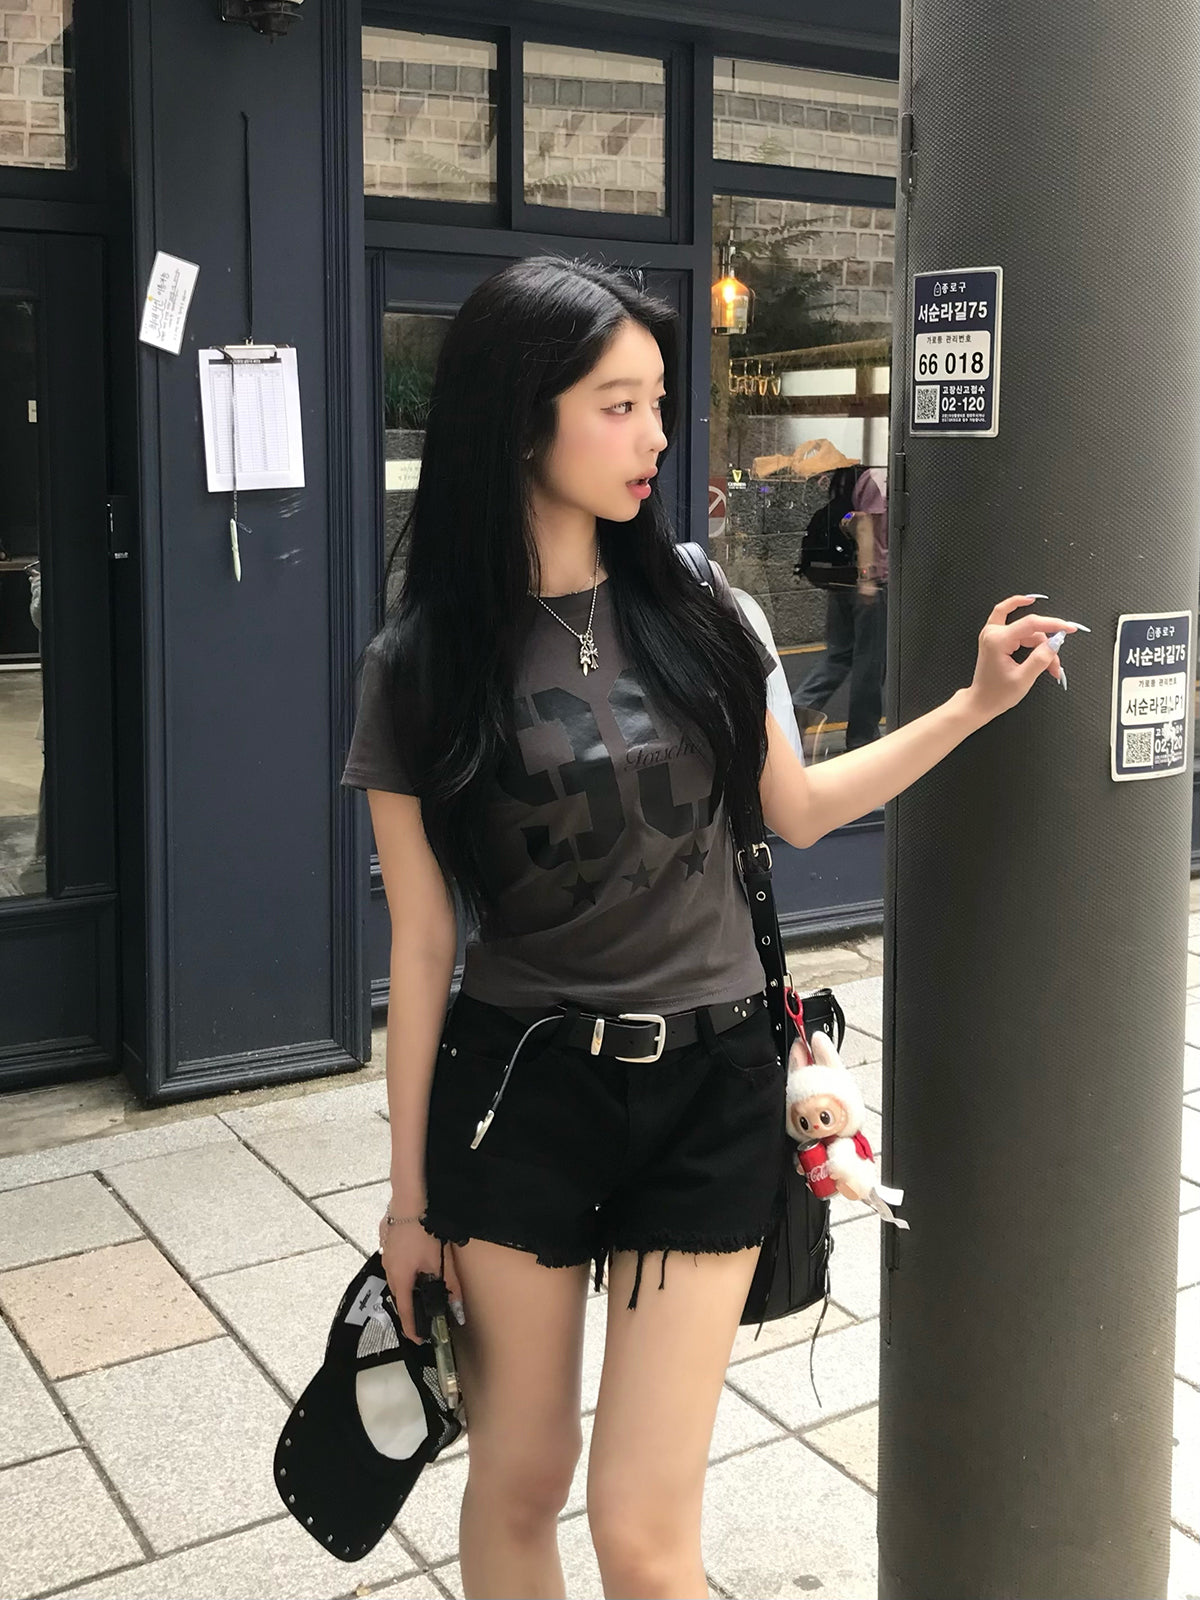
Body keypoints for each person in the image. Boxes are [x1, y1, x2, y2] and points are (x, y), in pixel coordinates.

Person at [339, 253, 1077, 1600]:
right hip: (520, 1096)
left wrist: (971, 706)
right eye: (617, 405)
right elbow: (424, 944)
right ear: (522, 418)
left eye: (658, 402)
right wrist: (408, 1203)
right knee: (519, 1479)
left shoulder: (702, 611)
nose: (657, 437)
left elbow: (798, 809)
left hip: (710, 1088)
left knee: (640, 1528)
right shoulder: (421, 663)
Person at [792, 463, 890, 754]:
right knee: (870, 662)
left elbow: (849, 521)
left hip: (844, 581)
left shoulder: (853, 478)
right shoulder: (879, 477)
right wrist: (867, 577)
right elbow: (864, 524)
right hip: (872, 582)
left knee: (838, 654)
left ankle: (797, 710)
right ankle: (863, 736)